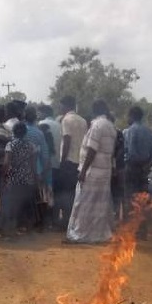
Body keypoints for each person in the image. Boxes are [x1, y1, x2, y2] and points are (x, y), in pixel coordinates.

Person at [65, 100, 116, 245]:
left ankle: (81, 234)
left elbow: (92, 149)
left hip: (93, 172)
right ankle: (97, 234)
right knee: (99, 206)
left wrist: (84, 170)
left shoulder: (97, 126)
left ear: (95, 111)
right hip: (105, 171)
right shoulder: (111, 126)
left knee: (84, 204)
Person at [122, 106, 152, 238]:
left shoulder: (131, 130)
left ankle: (130, 230)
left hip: (132, 168)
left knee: (130, 198)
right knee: (142, 200)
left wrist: (133, 164)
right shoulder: (148, 132)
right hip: (145, 169)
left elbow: (131, 152)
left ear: (131, 115)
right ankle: (142, 230)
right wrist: (147, 166)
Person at [1, 121, 38, 235]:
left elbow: (6, 163)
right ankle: (28, 229)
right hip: (27, 179)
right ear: (25, 133)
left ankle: (12, 229)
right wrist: (35, 178)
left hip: (14, 180)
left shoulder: (10, 145)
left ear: (14, 132)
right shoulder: (31, 145)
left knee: (13, 205)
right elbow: (33, 164)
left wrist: (4, 177)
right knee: (27, 205)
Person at [57, 95, 88, 231]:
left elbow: (67, 141)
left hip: (69, 162)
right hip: (80, 163)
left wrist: (62, 161)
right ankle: (75, 222)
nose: (60, 108)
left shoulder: (66, 120)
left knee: (66, 193)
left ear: (65, 106)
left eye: (61, 105)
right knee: (76, 194)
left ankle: (66, 223)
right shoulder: (83, 121)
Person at [23, 106, 51, 230]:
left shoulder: (19, 130)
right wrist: (45, 171)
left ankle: (24, 222)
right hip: (37, 170)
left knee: (23, 198)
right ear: (35, 118)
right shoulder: (39, 133)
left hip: (21, 169)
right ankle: (37, 223)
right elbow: (45, 154)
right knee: (37, 197)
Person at [38, 105, 62, 221]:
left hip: (44, 165)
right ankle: (55, 218)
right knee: (55, 192)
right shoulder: (60, 125)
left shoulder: (41, 124)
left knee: (44, 193)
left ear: (43, 113)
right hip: (57, 163)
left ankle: (45, 220)